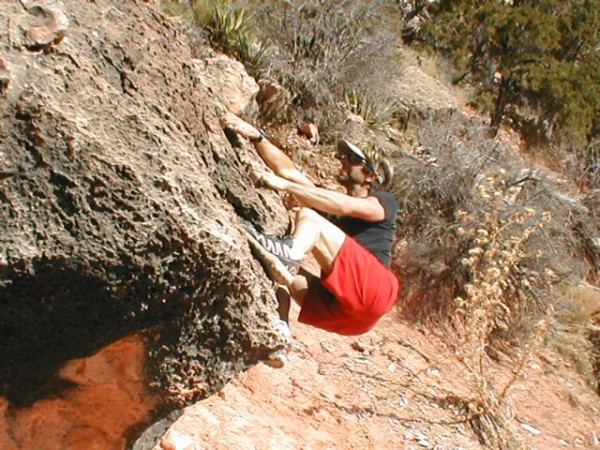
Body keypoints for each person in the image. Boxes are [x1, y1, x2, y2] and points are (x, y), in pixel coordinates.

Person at [221, 113, 401, 338]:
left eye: (354, 159)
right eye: (344, 155)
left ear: (371, 176)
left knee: (309, 216)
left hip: (377, 288)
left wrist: (286, 186)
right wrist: (258, 137)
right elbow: (288, 171)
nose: (342, 159)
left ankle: (289, 253)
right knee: (272, 270)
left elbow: (344, 205)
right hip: (350, 317)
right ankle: (279, 332)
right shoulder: (332, 215)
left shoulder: (384, 202)